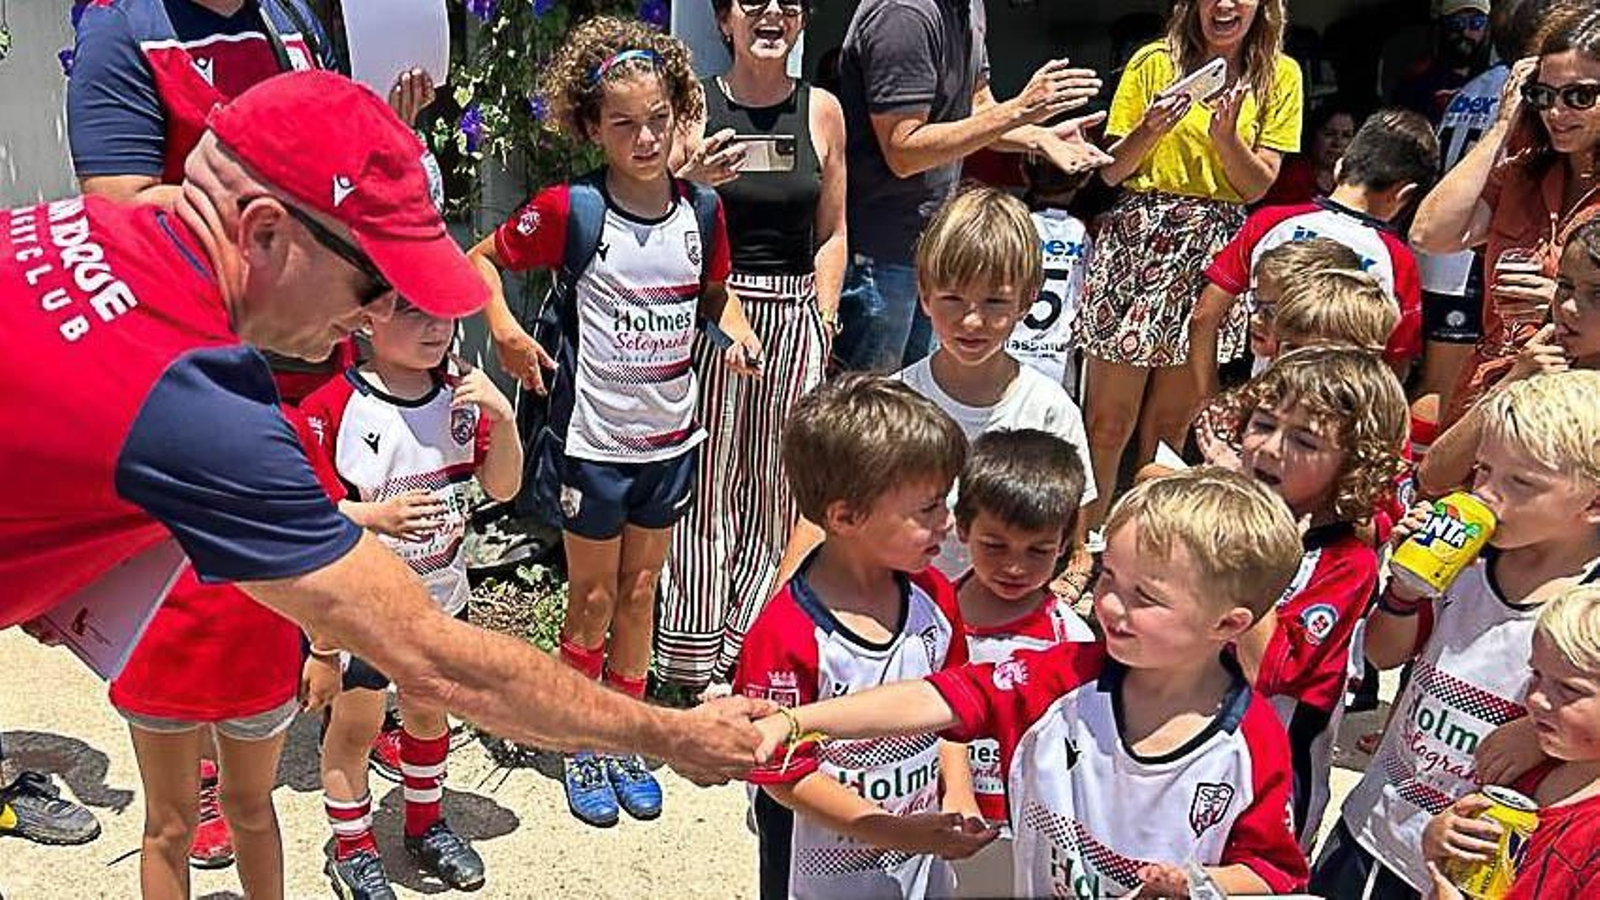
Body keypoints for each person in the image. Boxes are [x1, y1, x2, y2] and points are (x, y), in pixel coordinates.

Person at [0, 70, 772, 817]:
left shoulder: (101, 225)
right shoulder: (199, 401)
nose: (375, 316)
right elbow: (431, 658)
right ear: (264, 230)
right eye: (374, 284)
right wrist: (671, 734)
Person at [66, 0, 437, 868]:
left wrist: (378, 141)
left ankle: (314, 713)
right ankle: (191, 774)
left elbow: (322, 160)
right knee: (194, 582)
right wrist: (290, 202)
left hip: (303, 342)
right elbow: (117, 212)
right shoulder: (124, 34)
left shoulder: (289, 15)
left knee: (306, 559)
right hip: (192, 367)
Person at [465, 17, 764, 828]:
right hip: (593, 444)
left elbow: (713, 297)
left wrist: (730, 327)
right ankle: (580, 738)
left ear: (680, 115)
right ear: (591, 127)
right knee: (591, 598)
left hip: (670, 441)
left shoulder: (703, 213)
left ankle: (627, 735)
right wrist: (505, 331)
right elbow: (479, 260)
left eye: (659, 119)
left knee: (641, 592)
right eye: (624, 123)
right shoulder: (573, 210)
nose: (644, 137)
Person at [751, 468, 1310, 898]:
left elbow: (1272, 869)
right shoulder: (1061, 677)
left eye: (1146, 597)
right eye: (1109, 577)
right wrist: (799, 719)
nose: (1110, 604)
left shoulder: (1251, 742)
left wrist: (1199, 882)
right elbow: (940, 694)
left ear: (1228, 624)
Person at [1311, 370, 1600, 899]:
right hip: (1376, 822)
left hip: (1467, 867)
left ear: (1593, 504)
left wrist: (1537, 738)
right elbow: (1381, 651)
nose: (1487, 494)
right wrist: (1404, 587)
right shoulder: (1466, 559)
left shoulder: (1589, 606)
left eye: (1522, 483)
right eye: (1483, 470)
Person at [733, 374, 990, 900]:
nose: (948, 522)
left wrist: (959, 793)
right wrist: (887, 829)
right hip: (818, 871)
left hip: (918, 851)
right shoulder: (786, 635)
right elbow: (781, 774)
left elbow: (952, 707)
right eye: (928, 509)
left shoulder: (935, 598)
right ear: (846, 516)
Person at [655, 0, 848, 692]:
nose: (772, 15)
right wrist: (690, 181)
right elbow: (655, 203)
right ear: (725, 21)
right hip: (717, 305)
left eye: (788, 6)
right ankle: (686, 656)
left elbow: (832, 230)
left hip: (796, 311)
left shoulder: (822, 111)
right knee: (708, 482)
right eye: (754, 3)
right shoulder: (694, 107)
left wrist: (824, 318)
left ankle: (747, 646)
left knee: (777, 486)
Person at [298, 304, 523, 897]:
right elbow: (304, 512)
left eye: (443, 315)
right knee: (357, 725)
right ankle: (353, 849)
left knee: (429, 715)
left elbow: (504, 486)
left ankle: (426, 825)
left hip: (442, 599)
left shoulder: (461, 394)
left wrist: (502, 415)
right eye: (412, 312)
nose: (435, 328)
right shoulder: (331, 407)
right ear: (366, 318)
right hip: (363, 611)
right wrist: (373, 516)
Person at [1077, 0, 1303, 533]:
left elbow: (1256, 186)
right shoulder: (1154, 61)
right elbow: (1112, 174)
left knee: (1171, 423)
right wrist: (1150, 129)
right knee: (1108, 422)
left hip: (1215, 244)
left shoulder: (1280, 74)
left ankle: (1145, 540)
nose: (1223, 5)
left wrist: (1226, 140)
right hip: (1139, 238)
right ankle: (1083, 545)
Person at [832, 0, 1110, 373]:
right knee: (869, 411)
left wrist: (1038, 138)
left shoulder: (969, 7)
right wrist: (1019, 109)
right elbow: (904, 151)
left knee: (923, 409)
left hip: (934, 253)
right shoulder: (905, 15)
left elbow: (979, 111)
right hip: (880, 257)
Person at [1220, 347, 1409, 847]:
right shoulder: (1220, 513)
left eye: (1304, 441)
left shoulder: (1345, 565)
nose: (1270, 448)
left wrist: (1261, 546)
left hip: (1266, 784)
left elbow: (1264, 669)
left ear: (1353, 466)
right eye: (1262, 423)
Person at [893, 187, 1096, 589]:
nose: (972, 321)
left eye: (995, 302)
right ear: (925, 294)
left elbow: (1073, 518)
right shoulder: (898, 402)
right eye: (953, 298)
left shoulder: (1049, 408)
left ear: (1027, 301)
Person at [1412, 4, 1600, 429]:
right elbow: (1430, 233)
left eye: (1580, 96)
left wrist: (1564, 301)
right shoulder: (1522, 173)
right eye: (1543, 95)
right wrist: (1502, 126)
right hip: (1493, 395)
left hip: (1579, 411)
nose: (1556, 112)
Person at [1191, 107, 1438, 400]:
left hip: (1264, 407)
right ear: (1404, 195)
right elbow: (1395, 362)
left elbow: (1204, 316)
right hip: (1338, 422)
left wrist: (1211, 398)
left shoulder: (1270, 223)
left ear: (1339, 167)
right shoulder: (1397, 260)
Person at [946, 429, 1093, 897]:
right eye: (996, 545)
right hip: (936, 828)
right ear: (962, 526)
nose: (1015, 567)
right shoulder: (926, 621)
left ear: (1064, 542)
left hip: (1026, 837)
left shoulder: (1071, 639)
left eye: (1038, 550)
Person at [1422, 586, 1600, 900]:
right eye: (1536, 675)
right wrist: (1440, 838)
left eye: (1569, 690)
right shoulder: (1528, 765)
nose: (1535, 698)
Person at [1419, 211, 1600, 495]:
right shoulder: (1531, 368)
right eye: (1565, 287)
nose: (1567, 308)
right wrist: (1512, 382)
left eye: (1597, 295)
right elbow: (1434, 476)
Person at [1010, 155, 1094, 396]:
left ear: (1023, 173)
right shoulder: (1081, 234)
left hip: (1008, 355)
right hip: (1056, 361)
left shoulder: (1016, 227)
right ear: (1085, 178)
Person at [1389, 0, 1493, 123]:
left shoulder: (1500, 81)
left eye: (1476, 22)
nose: (1465, 31)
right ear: (1443, 23)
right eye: (1457, 22)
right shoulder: (1416, 82)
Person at [1261, 96, 1364, 206]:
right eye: (1329, 134)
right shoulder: (1291, 176)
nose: (1337, 143)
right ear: (1313, 135)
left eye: (1346, 136)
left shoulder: (1358, 180)